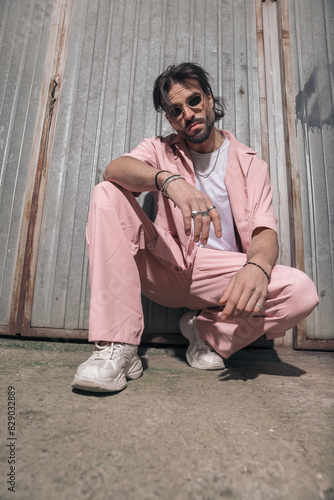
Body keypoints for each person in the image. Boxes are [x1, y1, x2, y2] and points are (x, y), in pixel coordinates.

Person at [71, 62, 319, 393]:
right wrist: (167, 180)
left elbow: (265, 231)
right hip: (166, 264)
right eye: (175, 111)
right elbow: (115, 169)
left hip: (220, 276)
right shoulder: (160, 149)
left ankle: (205, 331)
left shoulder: (250, 164)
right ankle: (117, 347)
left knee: (300, 291)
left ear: (210, 100)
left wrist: (258, 267)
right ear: (171, 120)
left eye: (193, 101)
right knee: (107, 192)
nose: (187, 114)